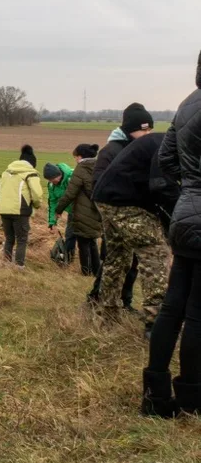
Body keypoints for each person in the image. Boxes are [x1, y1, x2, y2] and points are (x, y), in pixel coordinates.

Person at [145, 53, 201, 417]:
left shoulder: (186, 105)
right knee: (197, 314)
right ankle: (193, 399)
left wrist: (190, 190)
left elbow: (165, 161)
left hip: (184, 216)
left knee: (172, 306)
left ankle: (156, 394)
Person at [93, 129, 177, 338]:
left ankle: (107, 316)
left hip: (107, 198)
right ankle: (155, 324)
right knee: (156, 251)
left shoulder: (162, 141)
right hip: (125, 201)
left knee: (117, 258)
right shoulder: (165, 148)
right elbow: (163, 188)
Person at [89, 103, 155, 306]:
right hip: (117, 214)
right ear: (129, 129)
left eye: (149, 129)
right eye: (142, 129)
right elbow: (98, 185)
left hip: (138, 215)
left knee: (131, 262)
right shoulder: (111, 151)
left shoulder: (142, 149)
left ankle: (125, 302)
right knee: (115, 260)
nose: (147, 133)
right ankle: (96, 299)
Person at [0, 145, 43, 269]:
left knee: (9, 238)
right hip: (20, 210)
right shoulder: (30, 174)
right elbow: (37, 194)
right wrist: (37, 205)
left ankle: (6, 263)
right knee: (22, 239)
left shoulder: (6, 173)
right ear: (32, 163)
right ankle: (19, 266)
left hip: (3, 210)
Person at [54, 144, 102, 276]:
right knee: (92, 242)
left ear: (80, 157)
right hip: (97, 210)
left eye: (75, 157)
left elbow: (70, 193)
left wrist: (59, 209)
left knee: (83, 244)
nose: (75, 160)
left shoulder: (81, 169)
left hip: (82, 211)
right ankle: (96, 271)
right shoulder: (100, 166)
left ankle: (86, 272)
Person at [43, 161, 76, 264]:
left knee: (86, 238)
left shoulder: (73, 177)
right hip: (72, 213)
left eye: (53, 179)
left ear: (59, 175)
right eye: (49, 180)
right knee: (70, 235)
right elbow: (52, 202)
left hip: (84, 211)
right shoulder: (52, 185)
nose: (51, 182)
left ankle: (90, 266)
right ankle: (67, 260)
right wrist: (52, 222)